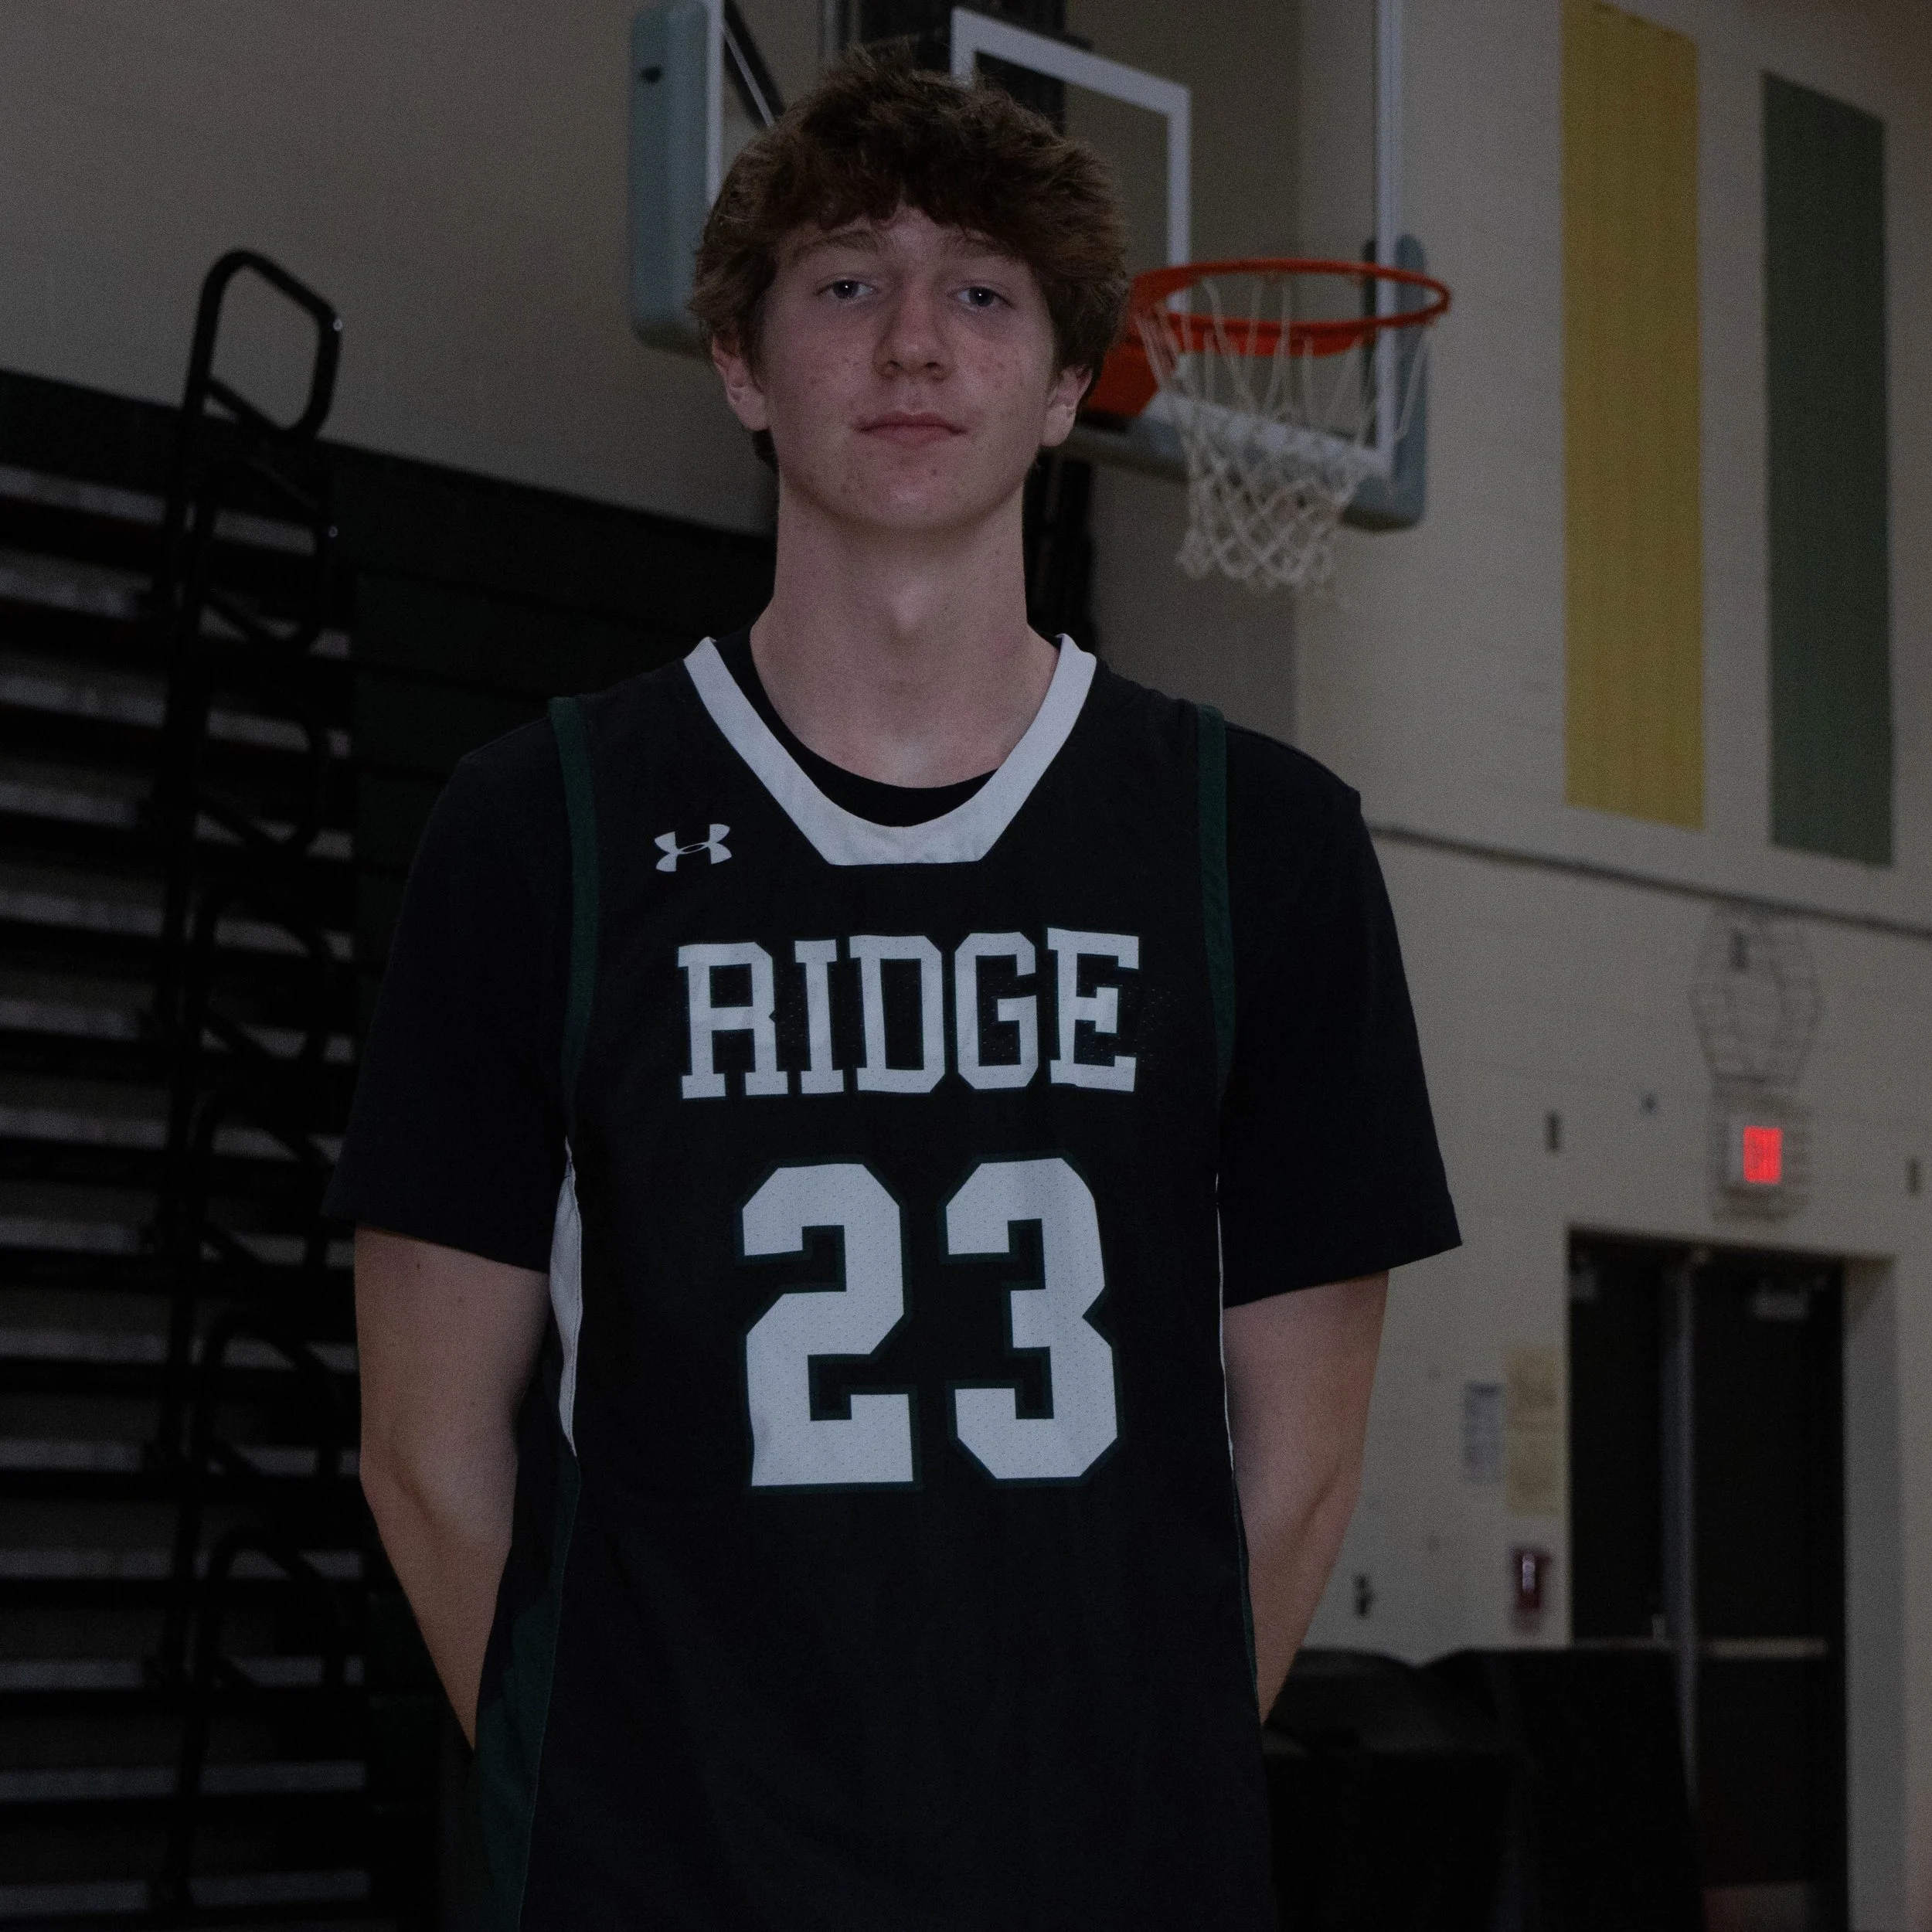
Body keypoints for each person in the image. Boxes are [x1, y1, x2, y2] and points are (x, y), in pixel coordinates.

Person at [332, 49, 1459, 1930]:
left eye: (983, 294)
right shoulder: (542, 827)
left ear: (1067, 383)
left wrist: (1116, 1806)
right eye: (847, 281)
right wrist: (601, 1805)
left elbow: (1299, 1467)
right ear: (740, 364)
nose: (915, 342)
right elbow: (423, 1454)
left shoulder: (1259, 845)